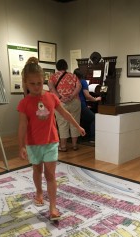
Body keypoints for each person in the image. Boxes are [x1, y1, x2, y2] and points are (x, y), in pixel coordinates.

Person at [18, 57, 85, 221]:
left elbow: (65, 114)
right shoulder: (24, 103)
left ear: (44, 81)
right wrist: (21, 146)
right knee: (37, 170)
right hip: (33, 144)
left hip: (51, 142)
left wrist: (77, 126)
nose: (36, 87)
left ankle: (53, 207)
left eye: (39, 83)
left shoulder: (51, 97)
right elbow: (22, 126)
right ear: (26, 83)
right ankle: (39, 192)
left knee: (50, 175)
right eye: (32, 84)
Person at [48, 59, 81, 151]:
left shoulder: (53, 77)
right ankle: (74, 145)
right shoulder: (73, 76)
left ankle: (63, 146)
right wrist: (71, 96)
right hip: (74, 101)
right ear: (66, 66)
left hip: (60, 103)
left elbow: (51, 87)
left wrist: (60, 97)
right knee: (75, 122)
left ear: (57, 67)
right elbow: (79, 86)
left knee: (62, 123)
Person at [73, 68, 101, 142]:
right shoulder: (83, 81)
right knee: (95, 118)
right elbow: (87, 95)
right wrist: (96, 99)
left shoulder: (73, 81)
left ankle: (84, 136)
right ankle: (92, 138)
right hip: (81, 105)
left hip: (75, 105)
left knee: (83, 119)